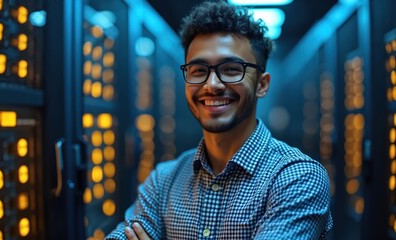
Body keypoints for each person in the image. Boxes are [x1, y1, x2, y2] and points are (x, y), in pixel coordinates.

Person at [106, 1, 333, 239]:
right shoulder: (163, 180)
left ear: (262, 85)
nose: (212, 85)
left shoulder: (298, 178)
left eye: (232, 69)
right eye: (198, 71)